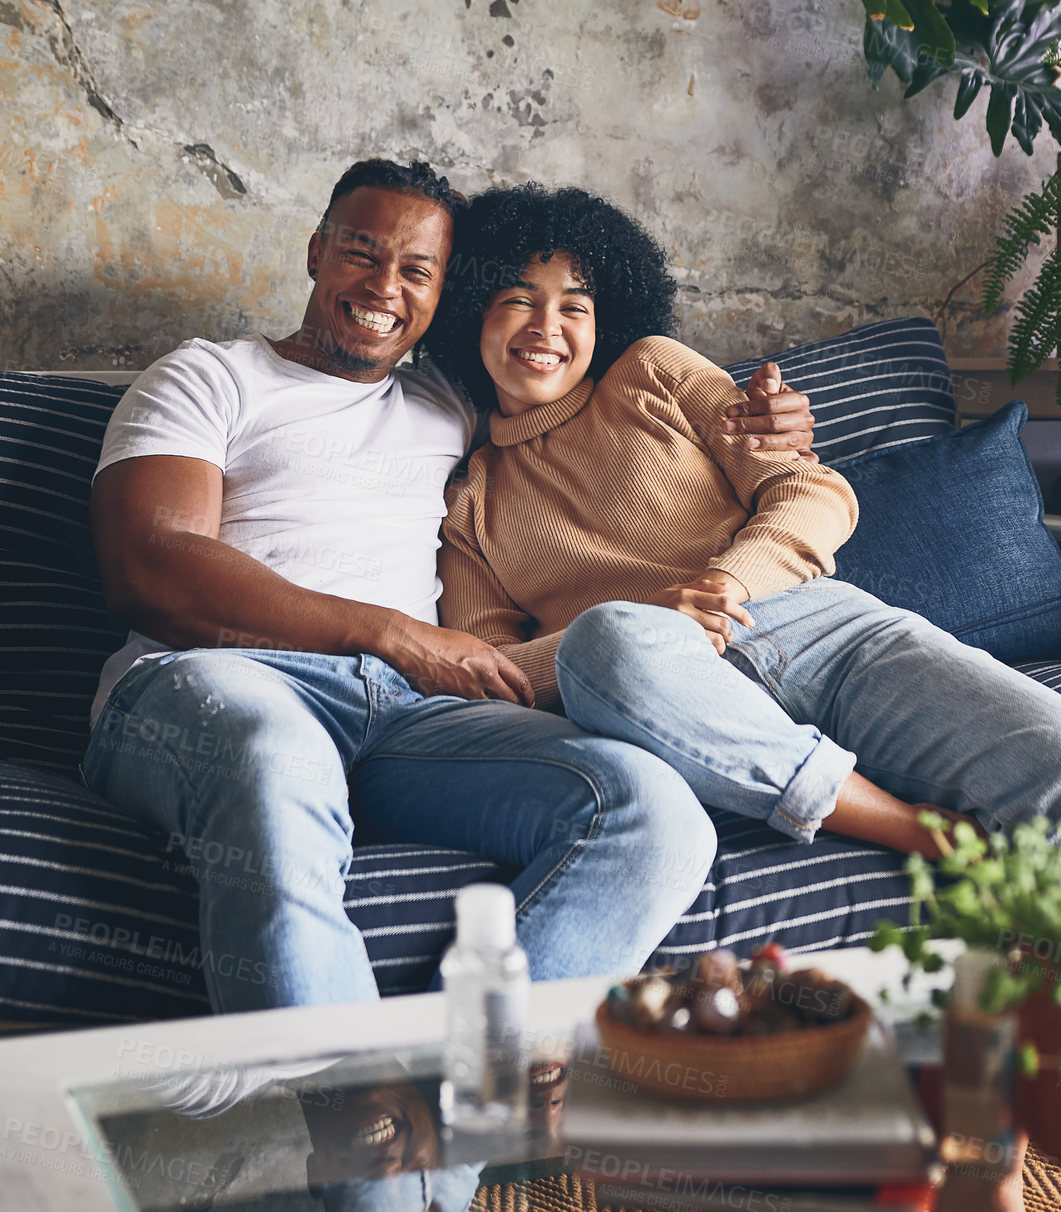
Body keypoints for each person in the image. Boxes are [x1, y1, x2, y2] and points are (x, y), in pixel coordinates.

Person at [81, 158, 811, 1014]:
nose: (384, 285)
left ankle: (459, 1100)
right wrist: (392, 633)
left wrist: (762, 424)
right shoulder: (209, 377)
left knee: (651, 809)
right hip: (220, 680)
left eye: (417, 270)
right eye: (361, 252)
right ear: (316, 252)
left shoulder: (449, 402)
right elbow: (150, 565)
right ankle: (345, 1123)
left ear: (445, 295)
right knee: (275, 755)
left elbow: (585, 372)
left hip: (407, 717)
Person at [433, 184, 1061, 859]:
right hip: (665, 687)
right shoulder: (470, 503)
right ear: (472, 312)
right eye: (517, 300)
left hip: (824, 631)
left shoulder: (652, 373)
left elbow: (813, 494)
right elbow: (489, 675)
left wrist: (724, 584)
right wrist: (653, 616)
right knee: (605, 640)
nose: (546, 328)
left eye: (575, 307)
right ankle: (920, 834)